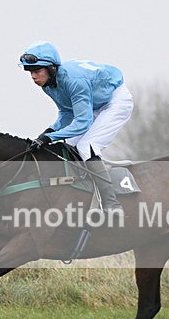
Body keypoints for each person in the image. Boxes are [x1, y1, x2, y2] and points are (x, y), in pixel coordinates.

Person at [19, 41, 133, 218]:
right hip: (92, 104)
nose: (33, 76)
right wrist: (48, 133)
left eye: (37, 71)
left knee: (87, 146)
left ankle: (112, 204)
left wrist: (50, 137)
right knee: (69, 147)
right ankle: (79, 196)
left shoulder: (73, 81)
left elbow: (82, 122)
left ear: (51, 68)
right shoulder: (48, 85)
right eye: (30, 72)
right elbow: (66, 112)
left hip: (114, 101)